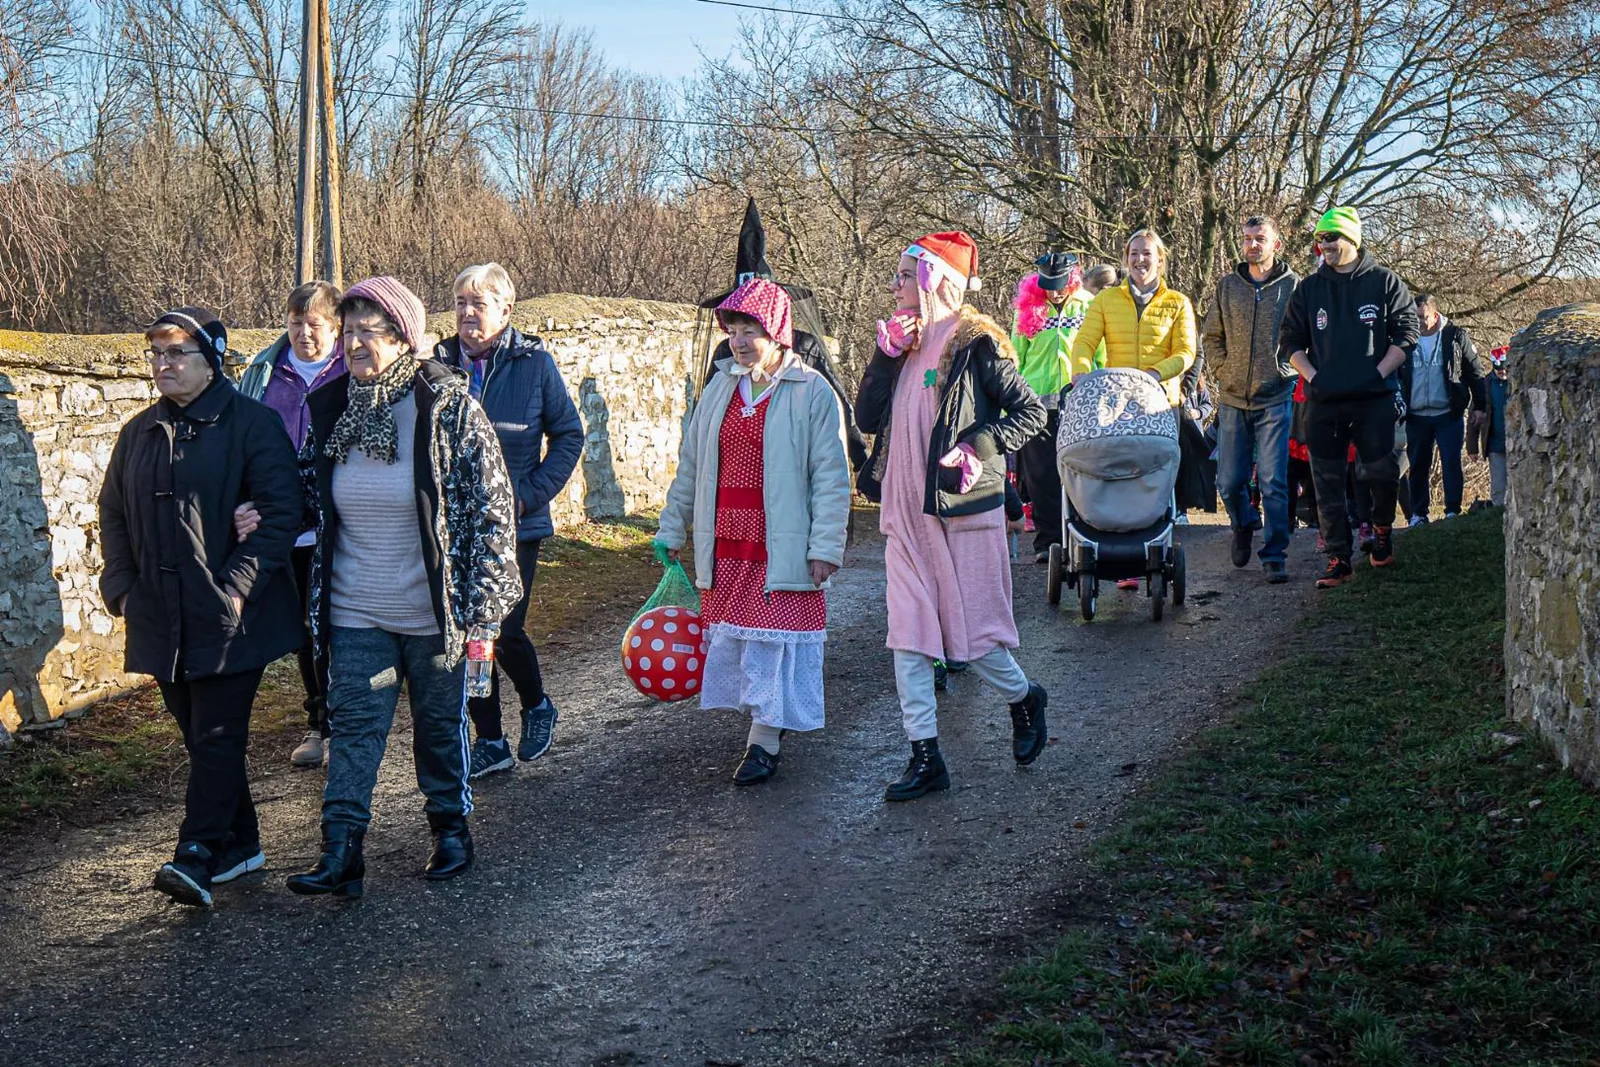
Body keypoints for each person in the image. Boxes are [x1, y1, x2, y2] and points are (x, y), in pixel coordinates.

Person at [268, 276, 522, 897]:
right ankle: (341, 851)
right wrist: (256, 511)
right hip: (356, 609)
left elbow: (492, 510)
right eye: (348, 331)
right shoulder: (333, 409)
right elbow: (310, 499)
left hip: (434, 612)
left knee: (440, 727)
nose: (353, 344)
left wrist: (484, 610)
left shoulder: (446, 407)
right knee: (353, 727)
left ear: (403, 339)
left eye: (368, 332)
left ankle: (450, 830)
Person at [99, 307, 303, 907]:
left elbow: (280, 513)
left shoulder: (253, 425)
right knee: (196, 733)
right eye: (156, 355)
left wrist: (237, 585)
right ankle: (241, 845)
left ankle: (195, 854)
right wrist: (123, 587)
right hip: (160, 612)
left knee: (217, 735)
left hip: (233, 613)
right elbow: (112, 511)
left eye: (177, 354)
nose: (164, 366)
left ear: (211, 361)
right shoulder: (139, 432)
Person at [855, 231, 1049, 801]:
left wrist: (979, 447)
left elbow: (1031, 411)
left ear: (934, 279)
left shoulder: (977, 344)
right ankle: (925, 755)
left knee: (977, 637)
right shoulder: (901, 342)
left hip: (961, 513)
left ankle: (1023, 698)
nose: (894, 286)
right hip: (905, 514)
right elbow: (868, 417)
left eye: (903, 275)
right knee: (909, 636)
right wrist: (884, 357)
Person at [654, 278, 850, 785]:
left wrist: (825, 546)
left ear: (778, 332)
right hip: (726, 541)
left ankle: (762, 743)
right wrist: (672, 526)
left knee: (772, 644)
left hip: (779, 542)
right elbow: (691, 466)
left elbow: (831, 478)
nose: (739, 341)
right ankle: (765, 724)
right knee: (741, 644)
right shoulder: (720, 388)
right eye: (734, 330)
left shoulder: (812, 392)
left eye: (750, 331)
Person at [435, 263, 582, 779]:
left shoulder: (534, 365)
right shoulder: (437, 367)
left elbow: (569, 435)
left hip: (515, 524)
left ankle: (537, 704)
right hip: (453, 526)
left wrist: (528, 495)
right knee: (470, 633)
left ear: (506, 311)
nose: (467, 313)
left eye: (478, 303)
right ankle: (490, 738)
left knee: (504, 626)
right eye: (459, 303)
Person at [1278, 207, 1419, 587]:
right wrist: (1314, 377)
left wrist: (1377, 373)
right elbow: (1290, 340)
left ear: (1352, 240)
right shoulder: (1308, 289)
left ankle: (1382, 530)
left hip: (1373, 398)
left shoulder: (1384, 281)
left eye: (1331, 237)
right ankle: (1338, 558)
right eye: (1320, 239)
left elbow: (1407, 334)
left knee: (1380, 472)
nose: (1324, 245)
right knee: (1325, 481)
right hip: (1324, 401)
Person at [238, 280, 347, 767]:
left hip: (341, 521)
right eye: (296, 323)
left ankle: (351, 722)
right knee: (305, 625)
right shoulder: (263, 373)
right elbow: (242, 444)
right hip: (286, 524)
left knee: (341, 623)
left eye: (315, 324)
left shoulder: (351, 368)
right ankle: (319, 726)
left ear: (336, 327)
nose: (305, 334)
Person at [1200, 215, 1299, 583]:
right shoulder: (1228, 286)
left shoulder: (1292, 286)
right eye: (1247, 239)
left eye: (1260, 238)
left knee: (1273, 480)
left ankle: (1275, 553)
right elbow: (1211, 336)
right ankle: (1243, 522)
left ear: (1276, 244)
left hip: (1274, 397)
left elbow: (1301, 339)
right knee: (1228, 480)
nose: (1252, 245)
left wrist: (1284, 372)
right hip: (1232, 398)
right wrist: (1223, 370)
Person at [1010, 252, 1097, 562]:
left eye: (1060, 285)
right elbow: (1015, 356)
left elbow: (1100, 348)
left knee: (1078, 470)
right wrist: (1014, 398)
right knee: (1041, 475)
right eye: (1049, 285)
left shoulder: (1087, 305)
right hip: (1037, 402)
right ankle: (1049, 542)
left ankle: (1083, 537)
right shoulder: (1026, 308)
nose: (1055, 292)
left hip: (1078, 398)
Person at [1070, 229, 1197, 407]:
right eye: (1134, 254)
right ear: (1127, 259)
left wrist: (1153, 375)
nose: (1140, 259)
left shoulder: (1178, 302)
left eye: (1147, 253)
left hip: (1161, 402)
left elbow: (1185, 352)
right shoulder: (1105, 299)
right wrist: (1080, 373)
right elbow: (1085, 342)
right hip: (1115, 399)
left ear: (1160, 260)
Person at [1400, 292, 1486, 525]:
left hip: (1448, 413)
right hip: (1416, 414)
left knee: (1450, 462)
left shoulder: (1455, 336)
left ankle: (1452, 511)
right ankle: (1418, 514)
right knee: (1417, 464)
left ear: (1435, 314)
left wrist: (1480, 405)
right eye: (1413, 317)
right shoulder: (1404, 338)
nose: (1418, 322)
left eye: (1422, 317)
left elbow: (1475, 372)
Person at [1467, 344, 1509, 506]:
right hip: (1494, 444)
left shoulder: (1517, 382)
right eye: (1499, 370)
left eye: (1505, 369)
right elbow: (1473, 418)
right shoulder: (1485, 386)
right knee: (1499, 484)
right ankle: (1498, 514)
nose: (1503, 373)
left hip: (1515, 444)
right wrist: (1472, 448)